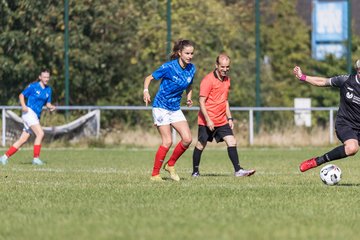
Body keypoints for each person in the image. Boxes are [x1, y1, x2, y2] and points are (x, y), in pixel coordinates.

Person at [191, 54, 256, 177]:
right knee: (200, 144)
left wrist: (229, 118)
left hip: (221, 120)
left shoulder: (227, 80)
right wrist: (208, 120)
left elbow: (224, 100)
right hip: (207, 120)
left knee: (232, 141)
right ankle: (195, 172)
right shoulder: (208, 80)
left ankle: (238, 170)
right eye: (222, 67)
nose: (225, 69)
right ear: (216, 66)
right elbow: (201, 102)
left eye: (227, 67)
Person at [293, 60, 360, 172]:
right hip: (345, 123)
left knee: (352, 150)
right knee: (352, 148)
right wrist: (302, 76)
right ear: (357, 70)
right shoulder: (346, 80)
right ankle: (317, 161)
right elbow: (322, 81)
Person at [143, 39, 196, 181]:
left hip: (175, 108)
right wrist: (146, 91)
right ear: (179, 53)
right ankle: (155, 175)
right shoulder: (168, 67)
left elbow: (189, 85)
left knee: (187, 139)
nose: (190, 56)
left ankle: (170, 164)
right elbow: (149, 78)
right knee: (167, 141)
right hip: (161, 107)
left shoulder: (192, 68)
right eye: (187, 53)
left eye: (191, 53)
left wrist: (189, 97)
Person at [0, 69, 56, 165]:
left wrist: (51, 107)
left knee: (23, 139)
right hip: (29, 112)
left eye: (48, 77)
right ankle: (36, 158)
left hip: (36, 116)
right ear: (40, 77)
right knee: (40, 133)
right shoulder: (33, 86)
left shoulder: (48, 90)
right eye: (44, 77)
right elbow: (21, 95)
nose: (46, 79)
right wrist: (23, 106)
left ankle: (4, 158)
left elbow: (48, 103)